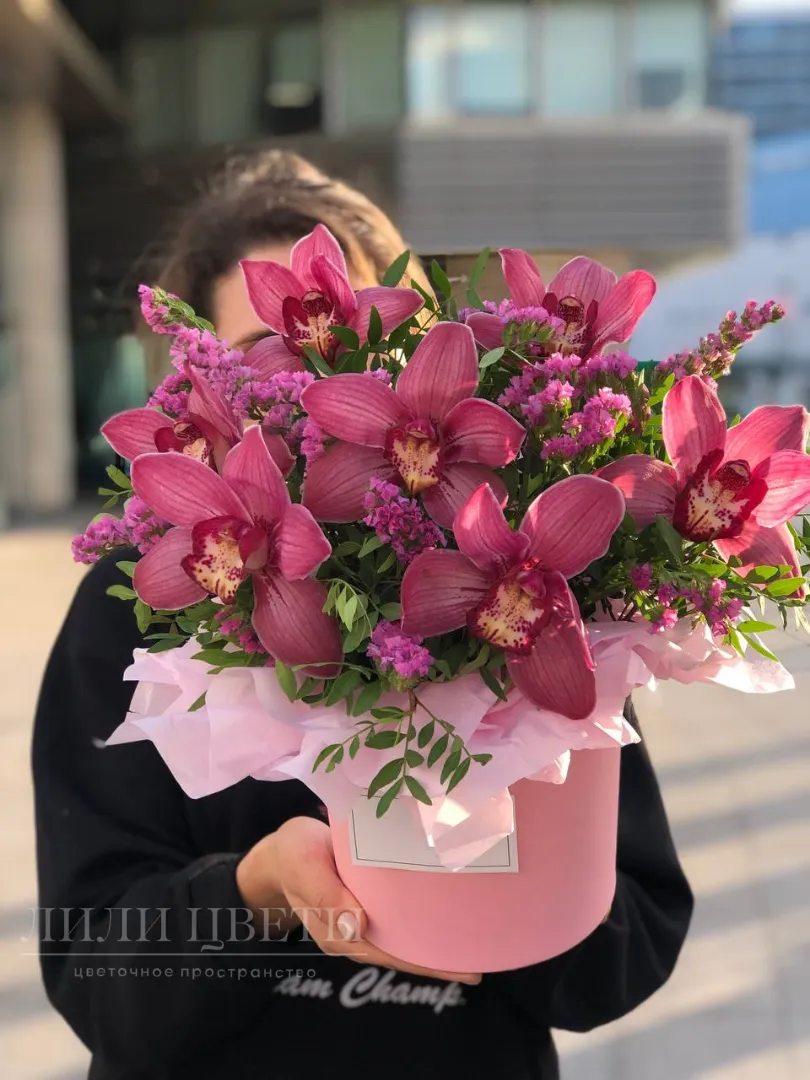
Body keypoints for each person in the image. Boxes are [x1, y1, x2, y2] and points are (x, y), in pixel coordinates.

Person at [33, 150, 693, 1080]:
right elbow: (94, 969)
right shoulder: (143, 599)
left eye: (356, 342)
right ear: (202, 392)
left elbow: (631, 945)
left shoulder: (536, 581)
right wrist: (256, 893)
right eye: (267, 362)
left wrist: (507, 875)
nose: (317, 385)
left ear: (424, 345)